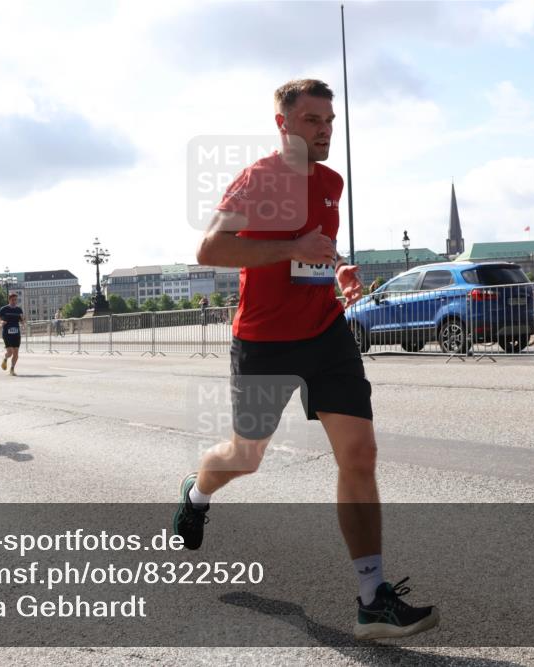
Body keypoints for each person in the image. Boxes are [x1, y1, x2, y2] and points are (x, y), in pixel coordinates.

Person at [173, 79, 438, 641]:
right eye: (313, 120)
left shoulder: (330, 183)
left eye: (329, 121)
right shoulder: (258, 179)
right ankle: (196, 495)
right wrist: (292, 249)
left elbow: (313, 247)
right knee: (246, 458)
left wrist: (334, 270)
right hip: (265, 341)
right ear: (283, 124)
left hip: (325, 333)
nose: (324, 130)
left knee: (360, 454)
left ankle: (372, 600)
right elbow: (210, 250)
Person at [0, 292, 25, 376]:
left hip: (16, 333)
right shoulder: (4, 309)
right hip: (7, 333)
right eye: (12, 300)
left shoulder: (18, 309)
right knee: (10, 352)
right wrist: (1, 321)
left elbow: (22, 320)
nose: (14, 301)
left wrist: (23, 323)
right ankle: (5, 358)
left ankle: (12, 369)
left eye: (16, 300)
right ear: (9, 300)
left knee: (16, 353)